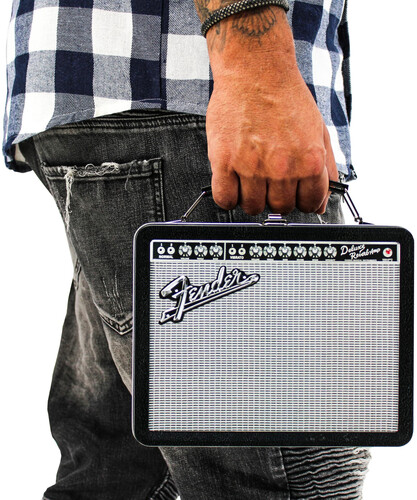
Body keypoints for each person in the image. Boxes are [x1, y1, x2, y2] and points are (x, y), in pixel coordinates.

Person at [3, 0, 371, 499]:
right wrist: (254, 66)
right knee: (283, 485)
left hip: (115, 93)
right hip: (196, 93)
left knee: (115, 480)